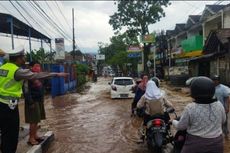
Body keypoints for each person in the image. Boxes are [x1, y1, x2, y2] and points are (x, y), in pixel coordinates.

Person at [0, 46, 68, 153]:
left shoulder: (3, 67)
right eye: (23, 57)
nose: (24, 59)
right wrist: (57, 74)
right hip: (9, 107)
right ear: (18, 58)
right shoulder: (17, 71)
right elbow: (37, 76)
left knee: (5, 133)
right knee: (11, 135)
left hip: (2, 104)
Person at [172, 76, 226, 153]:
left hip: (196, 144)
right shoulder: (219, 104)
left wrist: (173, 121)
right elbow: (223, 120)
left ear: (194, 91)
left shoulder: (190, 107)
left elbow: (181, 127)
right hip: (217, 143)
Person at [23, 62, 47, 145]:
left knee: (37, 120)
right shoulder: (28, 77)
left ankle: (35, 135)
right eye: (36, 66)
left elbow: (41, 87)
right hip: (32, 101)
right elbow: (26, 90)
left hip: (39, 100)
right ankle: (31, 138)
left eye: (39, 66)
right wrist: (30, 102)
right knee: (33, 120)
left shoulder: (38, 76)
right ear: (31, 67)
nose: (38, 67)